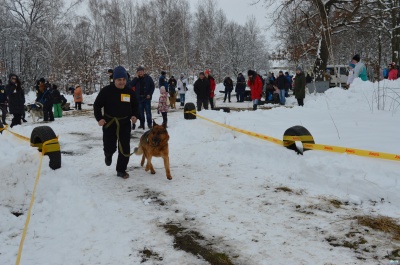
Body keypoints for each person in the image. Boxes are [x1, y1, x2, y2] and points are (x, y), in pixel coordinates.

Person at [93, 66, 139, 179]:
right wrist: (99, 119)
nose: (122, 82)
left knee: (125, 148)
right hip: (109, 123)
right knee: (110, 147)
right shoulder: (106, 91)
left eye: (124, 79)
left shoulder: (129, 92)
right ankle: (108, 155)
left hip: (124, 124)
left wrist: (134, 115)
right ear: (114, 79)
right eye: (119, 80)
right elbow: (97, 105)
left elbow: (135, 105)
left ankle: (121, 170)